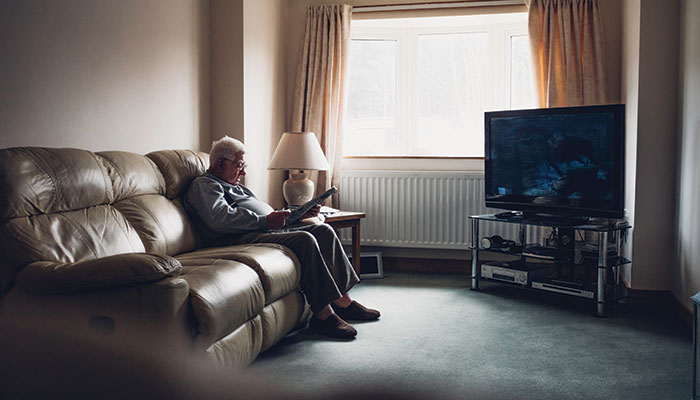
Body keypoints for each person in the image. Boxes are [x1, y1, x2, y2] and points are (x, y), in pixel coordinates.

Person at [184, 136, 380, 340]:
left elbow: (265, 215)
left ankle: (343, 302)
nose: (243, 171)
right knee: (305, 239)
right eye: (240, 165)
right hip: (235, 239)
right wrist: (266, 221)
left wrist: (295, 215)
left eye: (244, 165)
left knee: (324, 231)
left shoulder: (237, 187)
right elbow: (220, 219)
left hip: (260, 230)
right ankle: (323, 316)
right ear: (221, 163)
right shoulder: (204, 185)